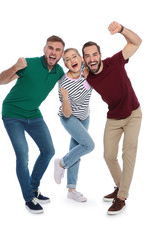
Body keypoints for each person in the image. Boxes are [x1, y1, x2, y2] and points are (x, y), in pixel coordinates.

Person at [0, 36, 65, 214]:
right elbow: (0, 81)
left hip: (33, 114)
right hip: (12, 113)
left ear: (61, 54)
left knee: (48, 150)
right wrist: (14, 67)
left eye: (58, 50)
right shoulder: (29, 64)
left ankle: (34, 188)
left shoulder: (59, 72)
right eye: (51, 48)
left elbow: (73, 81)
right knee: (23, 154)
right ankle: (28, 198)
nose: (53, 52)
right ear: (44, 49)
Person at [82, 21, 142, 214]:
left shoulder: (115, 62)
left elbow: (137, 42)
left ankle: (122, 197)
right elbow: (71, 74)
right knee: (108, 155)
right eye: (87, 56)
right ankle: (119, 186)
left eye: (94, 54)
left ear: (100, 55)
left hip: (133, 113)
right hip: (113, 118)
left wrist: (122, 30)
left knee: (128, 152)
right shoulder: (87, 76)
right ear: (84, 59)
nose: (92, 59)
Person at [54, 48, 95, 202]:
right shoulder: (64, 83)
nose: (72, 61)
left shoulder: (86, 68)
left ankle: (72, 190)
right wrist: (65, 99)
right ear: (65, 64)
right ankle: (61, 163)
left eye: (74, 57)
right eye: (68, 59)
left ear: (80, 58)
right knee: (89, 145)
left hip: (85, 117)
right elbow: (66, 113)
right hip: (69, 118)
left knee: (76, 151)